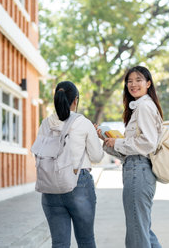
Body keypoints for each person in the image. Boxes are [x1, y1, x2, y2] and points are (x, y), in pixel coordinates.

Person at [97, 66, 163, 248]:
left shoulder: (144, 106)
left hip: (138, 170)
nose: (133, 84)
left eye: (138, 80)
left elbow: (147, 143)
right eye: (129, 81)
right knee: (142, 229)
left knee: (137, 233)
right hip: (137, 169)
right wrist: (109, 141)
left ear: (148, 83)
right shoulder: (140, 106)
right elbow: (134, 147)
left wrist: (117, 143)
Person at [39, 81, 104, 248]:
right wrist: (96, 138)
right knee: (86, 241)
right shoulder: (83, 122)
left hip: (50, 186)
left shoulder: (45, 124)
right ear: (75, 100)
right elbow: (97, 156)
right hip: (78, 183)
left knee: (59, 243)